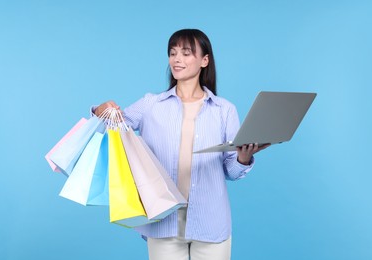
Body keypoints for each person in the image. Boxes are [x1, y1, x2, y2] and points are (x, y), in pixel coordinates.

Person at [93, 28, 270, 260]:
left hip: (210, 222)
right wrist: (99, 111)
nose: (177, 59)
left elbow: (231, 171)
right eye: (173, 53)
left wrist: (244, 158)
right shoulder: (151, 105)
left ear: (204, 60)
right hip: (163, 220)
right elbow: (113, 129)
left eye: (186, 53)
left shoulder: (224, 110)